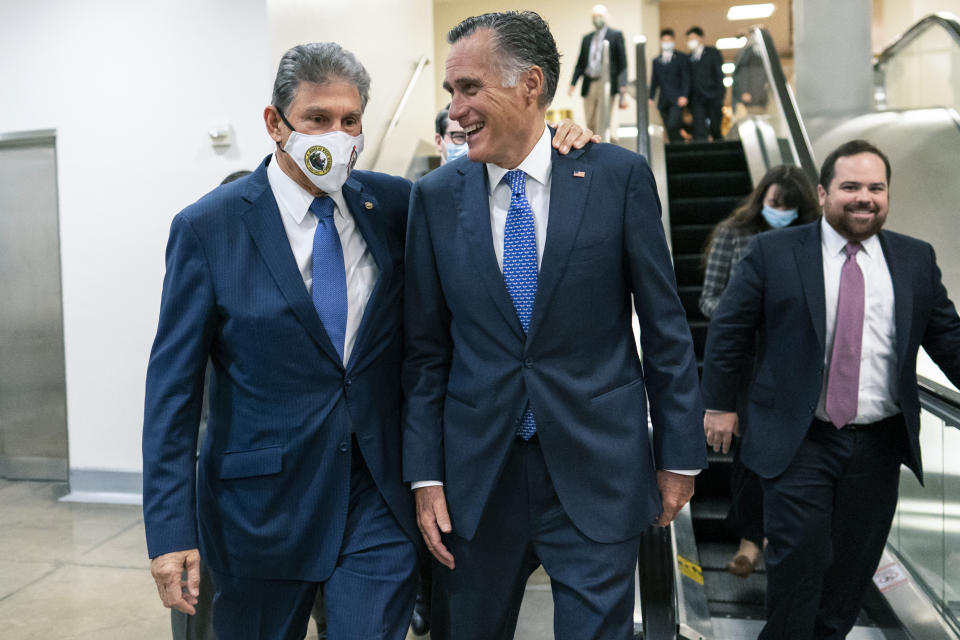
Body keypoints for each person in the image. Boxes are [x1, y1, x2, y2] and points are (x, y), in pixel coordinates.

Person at [403, 11, 707, 639]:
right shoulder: (434, 198)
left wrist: (680, 455)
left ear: (530, 84)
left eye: (468, 89)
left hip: (598, 467)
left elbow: (665, 327)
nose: (454, 110)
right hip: (476, 483)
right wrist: (425, 474)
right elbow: (426, 351)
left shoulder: (615, 178)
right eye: (450, 92)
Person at [143, 42, 422, 640]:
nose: (337, 135)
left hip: (374, 496)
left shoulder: (392, 206)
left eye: (350, 121)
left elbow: (482, 192)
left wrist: (559, 142)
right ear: (275, 123)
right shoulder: (209, 227)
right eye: (317, 119)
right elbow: (173, 394)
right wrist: (169, 533)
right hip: (259, 512)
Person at [701, 140, 960, 639]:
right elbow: (730, 330)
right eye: (851, 187)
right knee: (801, 561)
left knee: (850, 574)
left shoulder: (914, 260)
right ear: (822, 193)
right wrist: (717, 405)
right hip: (801, 438)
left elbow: (949, 339)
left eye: (875, 188)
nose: (864, 198)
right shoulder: (773, 252)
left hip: (879, 444)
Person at [698, 165, 820, 579]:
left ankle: (771, 539)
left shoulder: (814, 242)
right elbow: (710, 300)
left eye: (788, 207)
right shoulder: (734, 234)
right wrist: (746, 313)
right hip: (748, 362)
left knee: (796, 452)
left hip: (794, 362)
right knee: (753, 453)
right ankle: (751, 540)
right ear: (760, 199)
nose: (779, 213)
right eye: (773, 204)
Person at [568, 4, 628, 135]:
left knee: (603, 120)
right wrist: (573, 83)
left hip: (607, 83)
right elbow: (580, 63)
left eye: (600, 16)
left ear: (606, 17)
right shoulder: (587, 38)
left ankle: (603, 149)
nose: (597, 19)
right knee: (590, 121)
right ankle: (592, 149)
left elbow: (622, 63)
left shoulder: (615, 35)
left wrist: (622, 85)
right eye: (594, 16)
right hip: (589, 83)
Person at [649, 28, 690, 144]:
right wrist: (650, 97)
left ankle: (681, 143)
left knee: (673, 124)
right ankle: (677, 146)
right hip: (663, 101)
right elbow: (654, 80)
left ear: (673, 41)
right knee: (668, 128)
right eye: (664, 40)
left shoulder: (681, 58)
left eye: (669, 40)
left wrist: (684, 95)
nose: (666, 43)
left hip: (677, 99)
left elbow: (685, 78)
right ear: (661, 41)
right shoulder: (656, 61)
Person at [685, 26, 725, 141]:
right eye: (689, 39)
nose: (691, 41)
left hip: (713, 96)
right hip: (697, 99)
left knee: (715, 128)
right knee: (699, 129)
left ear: (701, 38)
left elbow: (719, 74)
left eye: (694, 38)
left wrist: (720, 94)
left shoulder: (713, 52)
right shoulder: (688, 58)